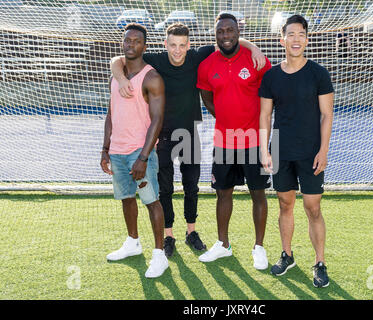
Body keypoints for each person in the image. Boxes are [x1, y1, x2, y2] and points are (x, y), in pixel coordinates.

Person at [110, 23, 267, 258]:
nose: (177, 50)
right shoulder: (156, 60)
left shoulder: (197, 56)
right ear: (165, 44)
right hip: (162, 135)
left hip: (189, 132)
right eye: (173, 45)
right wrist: (121, 79)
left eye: (182, 45)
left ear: (189, 45)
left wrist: (252, 46)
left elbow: (227, 42)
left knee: (191, 186)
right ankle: (169, 235)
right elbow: (118, 59)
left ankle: (191, 232)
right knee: (165, 187)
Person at [259, 15, 334, 287]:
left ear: (307, 39)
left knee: (313, 208)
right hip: (280, 150)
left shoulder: (318, 74)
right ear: (282, 39)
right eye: (291, 34)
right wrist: (264, 150)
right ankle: (287, 255)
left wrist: (323, 150)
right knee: (285, 204)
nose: (296, 39)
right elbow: (265, 116)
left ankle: (320, 262)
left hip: (311, 151)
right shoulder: (271, 77)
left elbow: (327, 115)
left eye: (301, 34)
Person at [196, 13, 272, 270]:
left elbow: (268, 99)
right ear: (215, 34)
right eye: (221, 32)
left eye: (230, 30)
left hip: (254, 139)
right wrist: (224, 117)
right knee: (222, 193)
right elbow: (206, 96)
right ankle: (223, 245)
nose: (226, 36)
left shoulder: (256, 60)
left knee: (258, 194)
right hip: (223, 140)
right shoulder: (207, 64)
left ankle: (259, 247)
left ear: (239, 32)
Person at [101, 23, 168, 278]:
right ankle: (133, 242)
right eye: (127, 41)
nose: (131, 45)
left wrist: (143, 156)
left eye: (136, 41)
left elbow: (157, 121)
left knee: (152, 201)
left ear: (145, 46)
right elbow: (110, 114)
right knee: (126, 198)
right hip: (117, 152)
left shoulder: (152, 78)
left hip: (140, 153)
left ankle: (159, 255)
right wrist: (105, 148)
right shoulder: (115, 77)